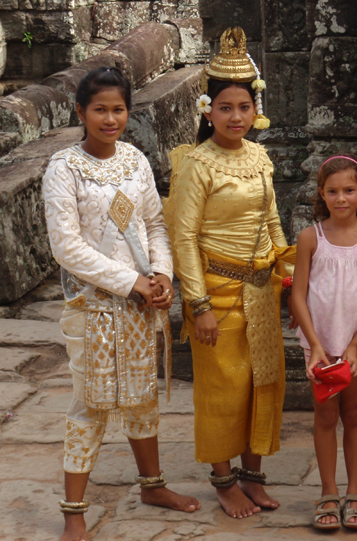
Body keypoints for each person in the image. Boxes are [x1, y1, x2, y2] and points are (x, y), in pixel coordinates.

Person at [43, 67, 200, 541]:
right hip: (91, 308)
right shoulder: (62, 168)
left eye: (118, 109)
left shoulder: (133, 160)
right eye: (100, 110)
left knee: (141, 398)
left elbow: (154, 223)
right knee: (90, 404)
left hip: (139, 306)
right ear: (81, 112)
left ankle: (152, 486)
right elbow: (66, 247)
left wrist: (162, 275)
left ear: (128, 112)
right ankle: (74, 513)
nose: (110, 119)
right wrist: (131, 280)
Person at [166, 27, 294, 519]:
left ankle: (253, 474)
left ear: (254, 108)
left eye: (244, 107)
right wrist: (196, 306)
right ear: (207, 109)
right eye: (225, 108)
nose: (236, 117)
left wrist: (288, 273)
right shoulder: (196, 164)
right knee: (222, 389)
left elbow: (272, 221)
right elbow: (183, 238)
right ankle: (224, 478)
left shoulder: (259, 157)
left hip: (261, 288)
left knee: (263, 383)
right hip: (215, 292)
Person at [292, 155, 357, 531]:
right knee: (325, 416)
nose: (341, 198)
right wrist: (315, 344)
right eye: (332, 191)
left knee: (353, 416)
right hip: (318, 344)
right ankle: (328, 491)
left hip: (354, 346)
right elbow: (298, 295)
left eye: (349, 190)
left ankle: (356, 491)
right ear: (322, 194)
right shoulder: (309, 237)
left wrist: (354, 344)